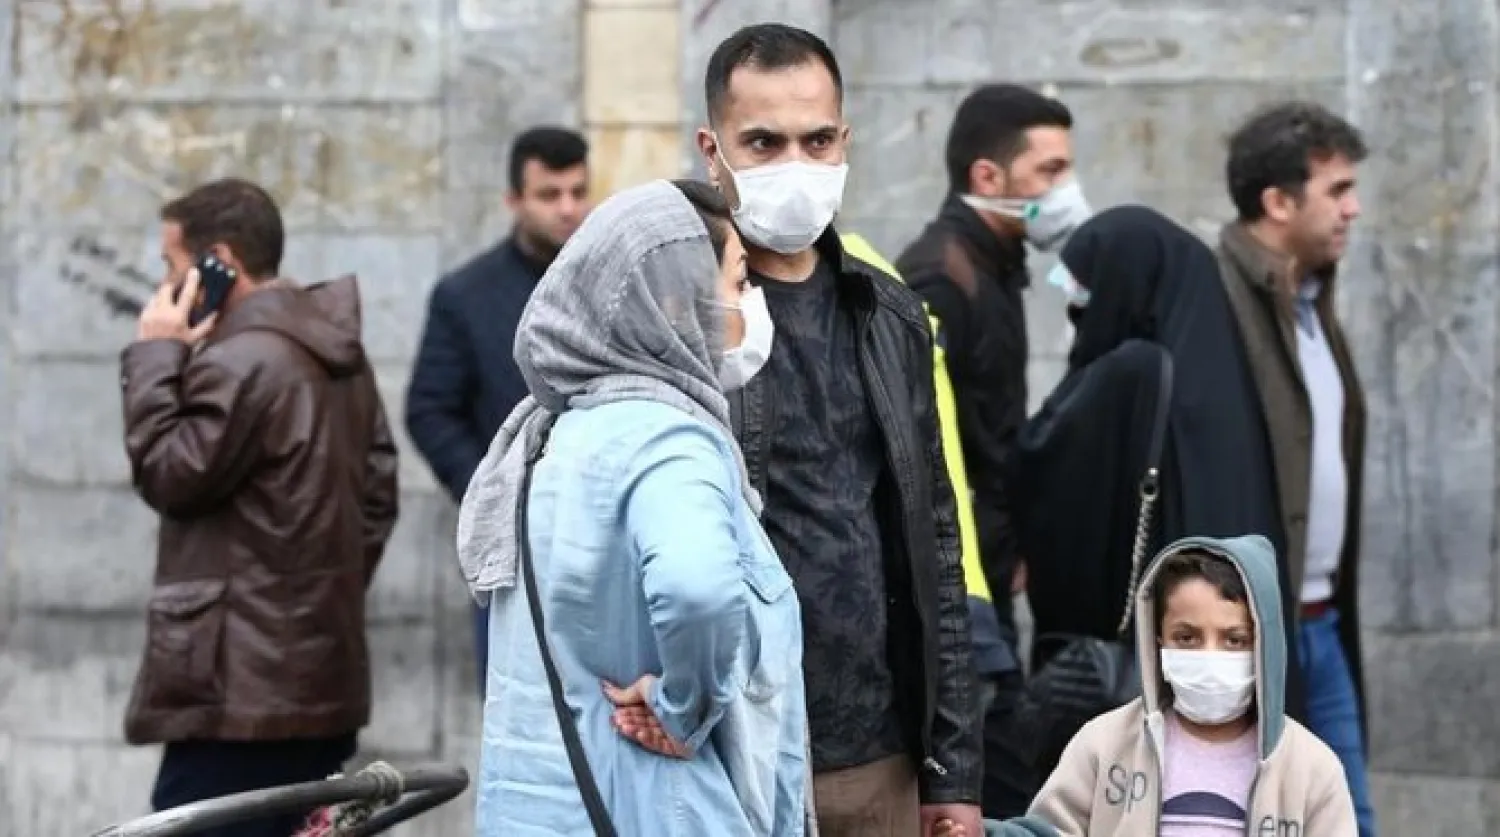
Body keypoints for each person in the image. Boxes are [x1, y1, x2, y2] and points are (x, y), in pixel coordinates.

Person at [697, 23, 981, 837]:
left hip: (875, 755)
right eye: (764, 141)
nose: (796, 164)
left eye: (817, 139)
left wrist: (953, 767)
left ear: (845, 140)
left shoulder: (889, 314)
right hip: (725, 750)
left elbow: (935, 541)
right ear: (713, 150)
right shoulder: (677, 310)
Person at [457, 179, 808, 835]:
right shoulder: (667, 437)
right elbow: (697, 588)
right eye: (737, 280)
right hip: (654, 807)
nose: (748, 304)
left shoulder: (549, 437)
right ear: (675, 300)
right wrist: (685, 708)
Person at [120, 178, 399, 837]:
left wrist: (158, 351)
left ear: (220, 262)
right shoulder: (336, 352)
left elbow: (168, 472)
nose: (163, 287)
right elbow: (378, 496)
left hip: (236, 692)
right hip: (317, 676)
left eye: (172, 266)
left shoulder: (242, 358)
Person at [895, 83, 1087, 819]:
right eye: (1048, 171)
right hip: (963, 591)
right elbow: (938, 447)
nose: (1064, 190)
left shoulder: (993, 265)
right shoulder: (942, 275)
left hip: (993, 565)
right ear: (987, 178)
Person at [1215, 100, 1374, 836]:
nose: (1354, 207)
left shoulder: (1313, 302)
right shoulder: (1215, 301)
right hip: (1246, 633)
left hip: (1323, 623)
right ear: (1278, 202)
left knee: (1350, 818)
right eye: (1337, 191)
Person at [405, 126, 589, 691]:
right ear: (514, 201)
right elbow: (429, 409)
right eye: (549, 194)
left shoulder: (610, 281)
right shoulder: (465, 295)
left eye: (578, 192)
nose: (567, 209)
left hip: (601, 537)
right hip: (512, 553)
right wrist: (494, 491)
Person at [1029, 535, 1357, 835]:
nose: (1209, 657)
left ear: (1264, 645)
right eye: (1187, 638)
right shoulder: (1105, 746)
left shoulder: (1311, 768)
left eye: (1234, 640)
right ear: (1157, 642)